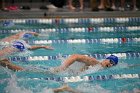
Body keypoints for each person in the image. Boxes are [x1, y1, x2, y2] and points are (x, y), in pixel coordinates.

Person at [53, 54, 118, 72]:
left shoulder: (99, 67)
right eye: (111, 61)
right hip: (62, 71)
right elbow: (75, 56)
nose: (111, 64)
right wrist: (63, 67)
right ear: (106, 59)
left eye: (113, 64)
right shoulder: (95, 62)